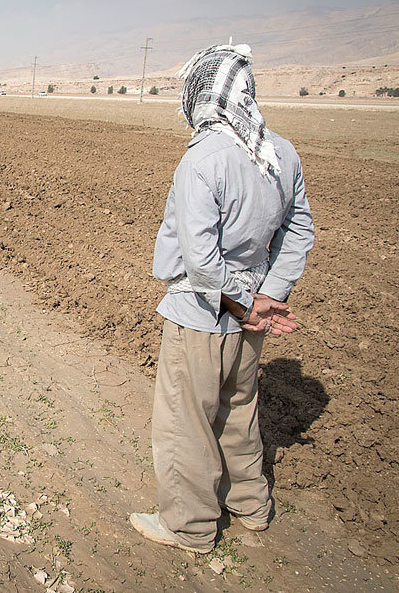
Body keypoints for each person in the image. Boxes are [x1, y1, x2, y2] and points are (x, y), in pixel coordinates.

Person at [130, 44, 315, 554]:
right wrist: (267, 295)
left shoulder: (202, 159)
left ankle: (189, 527)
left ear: (202, 93)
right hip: (252, 312)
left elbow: (201, 259)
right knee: (240, 406)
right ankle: (251, 505)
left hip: (201, 313)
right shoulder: (281, 153)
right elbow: (298, 232)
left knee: (185, 419)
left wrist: (242, 302)